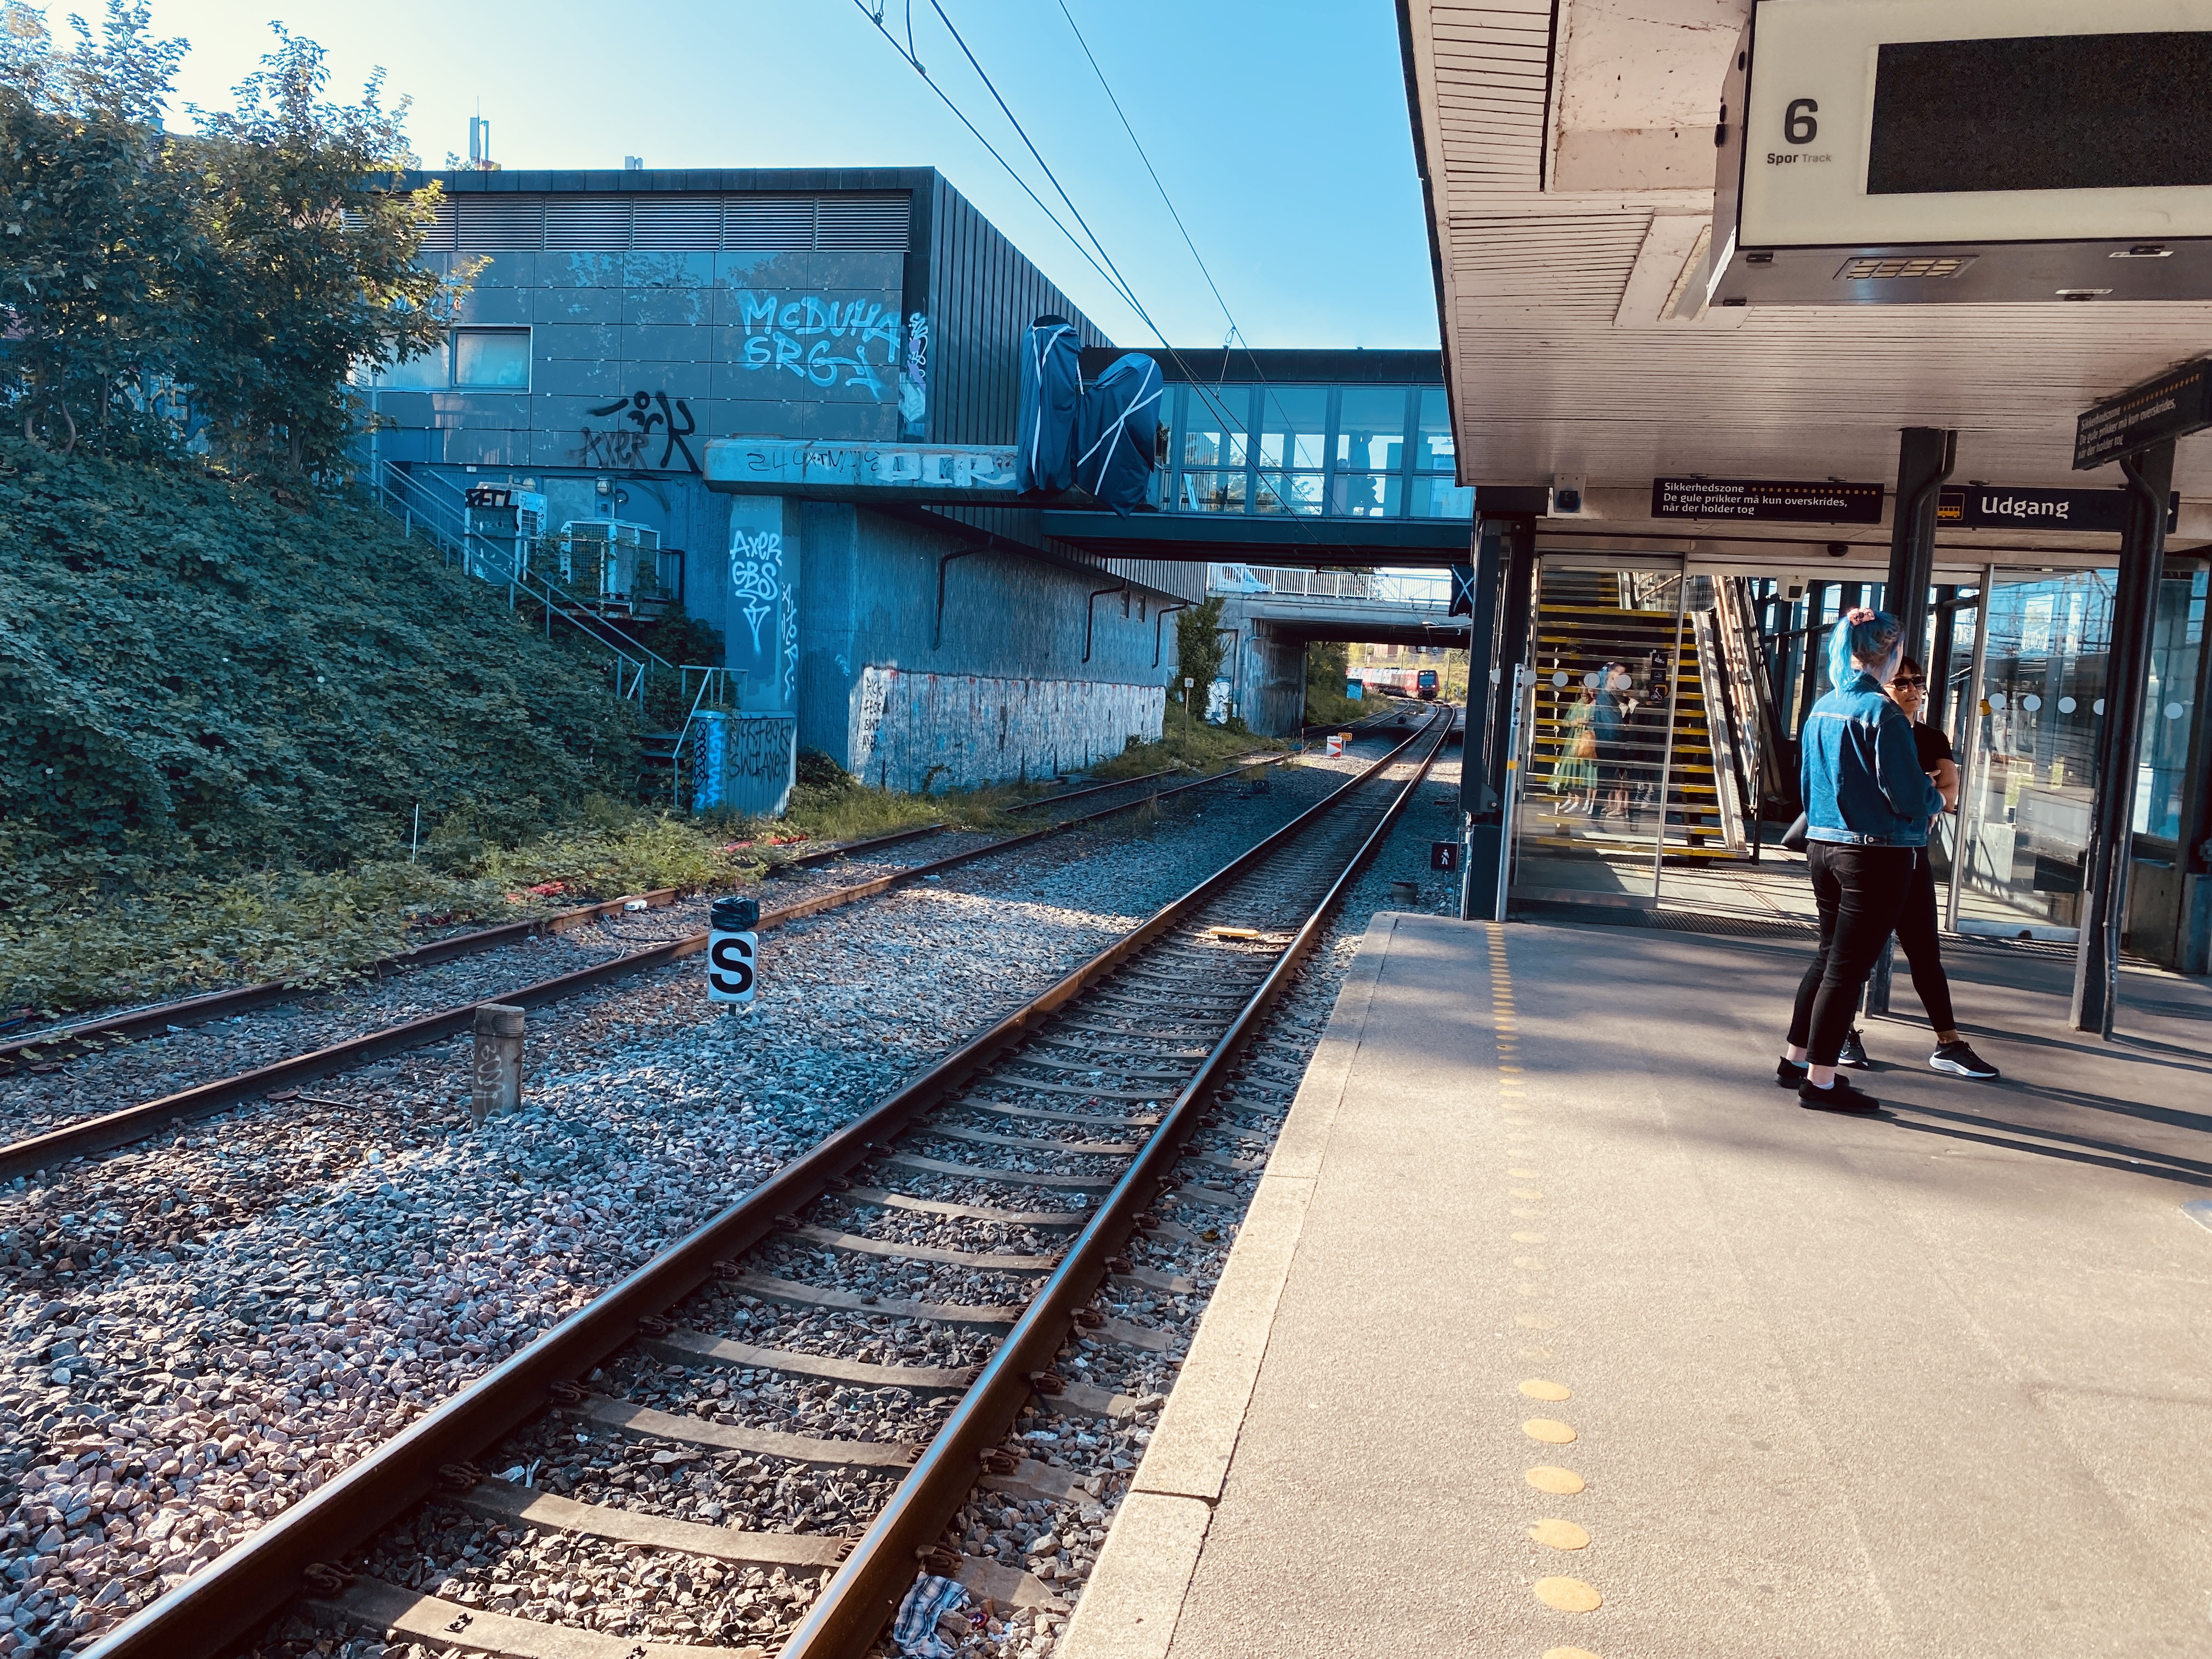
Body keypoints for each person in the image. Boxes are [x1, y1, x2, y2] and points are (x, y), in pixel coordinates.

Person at [1774, 609, 1944, 1114]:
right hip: (1876, 854)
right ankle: (1821, 1082)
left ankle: (1795, 1060)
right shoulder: (1883, 714)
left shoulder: (1824, 706)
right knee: (1848, 970)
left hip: (1824, 846)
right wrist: (1935, 797)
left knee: (1829, 956)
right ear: (1890, 653)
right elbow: (1908, 795)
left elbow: (1807, 785)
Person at [1830, 657, 2001, 1079]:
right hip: (1866, 856)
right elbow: (1874, 792)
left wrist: (1918, 791)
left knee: (1925, 951)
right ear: (1881, 689)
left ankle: (1949, 1043)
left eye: (1917, 682)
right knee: (1853, 955)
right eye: (1900, 683)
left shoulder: (1929, 737)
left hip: (1911, 854)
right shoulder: (1867, 729)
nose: (1911, 690)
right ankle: (1842, 1033)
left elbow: (1950, 791)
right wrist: (1921, 790)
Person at [1551, 685, 1598, 812]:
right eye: (1582, 696)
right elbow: (1565, 721)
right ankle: (1572, 799)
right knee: (1572, 770)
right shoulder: (1577, 705)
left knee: (1587, 772)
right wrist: (1575, 722)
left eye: (1586, 696)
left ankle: (1583, 801)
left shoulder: (1595, 706)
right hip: (1575, 742)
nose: (1585, 698)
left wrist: (1590, 722)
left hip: (1588, 742)